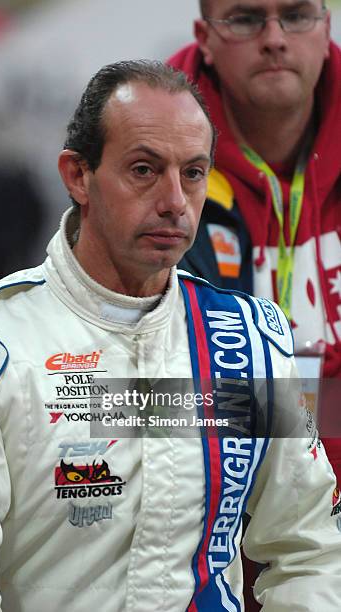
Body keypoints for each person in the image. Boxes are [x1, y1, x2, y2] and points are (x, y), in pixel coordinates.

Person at [0, 60, 340, 612]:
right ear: (78, 176)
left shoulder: (250, 339)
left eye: (194, 173)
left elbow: (309, 548)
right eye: (144, 170)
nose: (175, 201)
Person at [168, 0, 341, 480]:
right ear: (204, 37)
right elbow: (118, 403)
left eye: (297, 14)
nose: (274, 38)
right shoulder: (145, 170)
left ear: (326, 26)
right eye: (246, 19)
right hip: (225, 531)